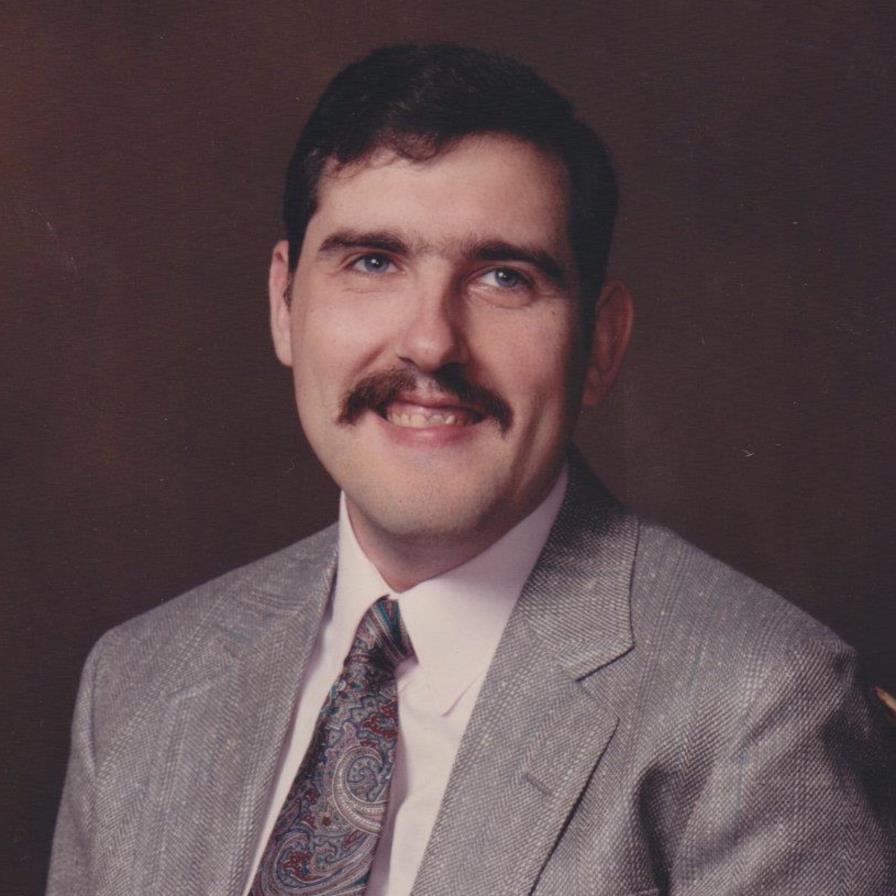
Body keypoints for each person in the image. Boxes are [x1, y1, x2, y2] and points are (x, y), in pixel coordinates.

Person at [47, 43, 894, 896]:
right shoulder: (138, 683)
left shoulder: (765, 708)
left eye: (503, 277)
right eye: (372, 262)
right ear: (285, 304)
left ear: (600, 343)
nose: (430, 343)